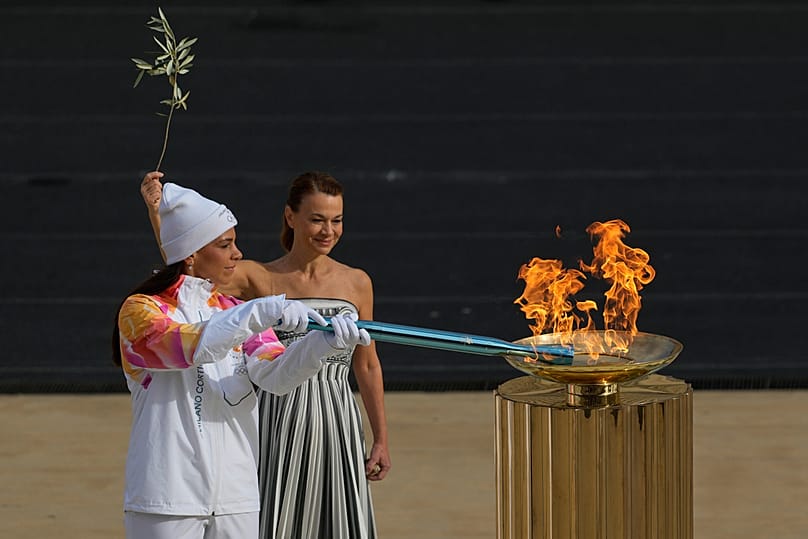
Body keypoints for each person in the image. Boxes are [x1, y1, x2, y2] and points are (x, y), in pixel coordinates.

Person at [115, 180, 371, 539]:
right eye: (225, 244)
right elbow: (186, 346)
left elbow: (276, 376)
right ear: (190, 254)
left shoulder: (234, 311)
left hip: (237, 496)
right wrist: (259, 313)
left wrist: (320, 345)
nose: (237, 254)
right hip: (168, 497)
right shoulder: (142, 311)